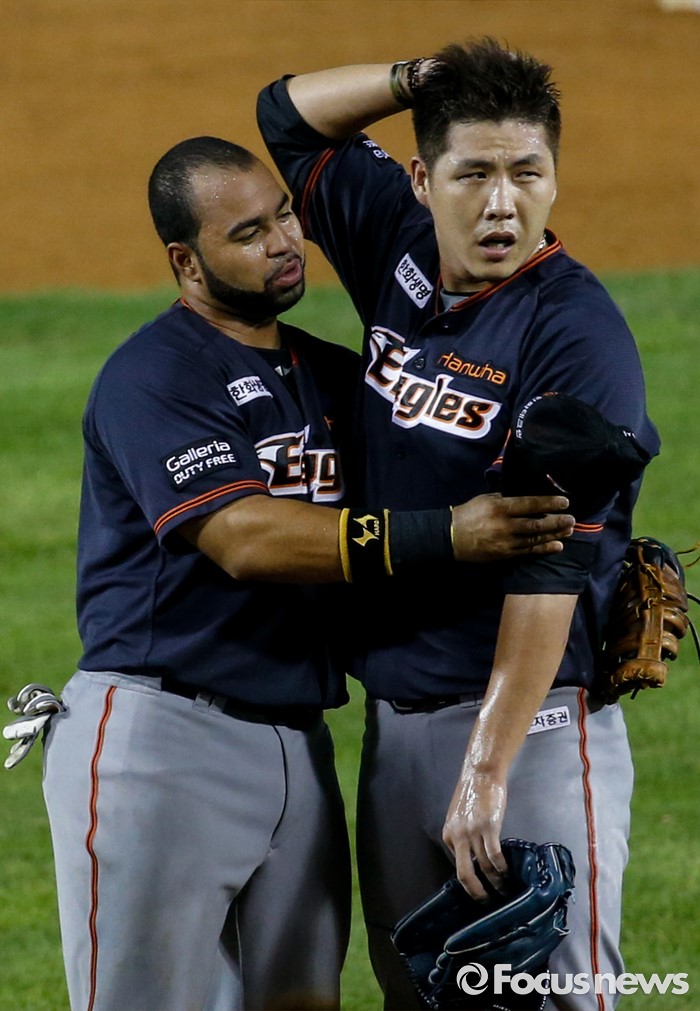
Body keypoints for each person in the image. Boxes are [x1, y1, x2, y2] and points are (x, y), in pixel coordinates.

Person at [37, 135, 573, 1011]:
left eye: (285, 216)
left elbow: (445, 476)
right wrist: (446, 534)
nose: (284, 242)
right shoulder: (154, 374)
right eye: (248, 234)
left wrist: (594, 573)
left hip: (300, 744)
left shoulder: (328, 373)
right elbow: (244, 538)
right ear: (187, 261)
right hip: (163, 739)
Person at [257, 37, 660, 1010]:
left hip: (528, 729)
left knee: (550, 999)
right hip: (396, 725)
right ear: (420, 179)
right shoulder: (397, 244)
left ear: (554, 178)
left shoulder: (576, 335)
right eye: (473, 173)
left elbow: (549, 569)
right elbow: (287, 117)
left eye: (528, 173)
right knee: (420, 993)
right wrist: (419, 79)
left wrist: (488, 766)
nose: (501, 204)